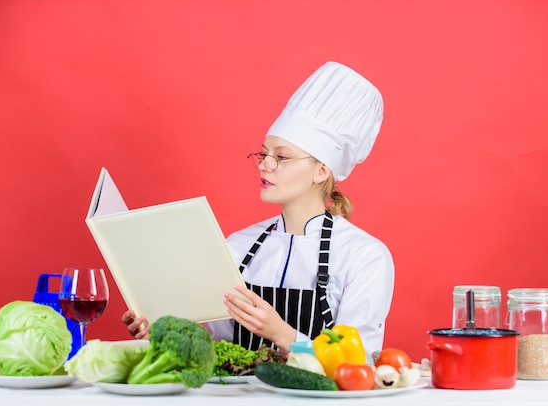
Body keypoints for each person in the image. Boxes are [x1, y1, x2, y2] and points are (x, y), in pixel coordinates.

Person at [122, 61, 394, 363]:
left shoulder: (364, 256)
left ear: (321, 170)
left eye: (281, 156)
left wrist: (282, 334)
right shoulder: (237, 246)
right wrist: (161, 336)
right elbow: (216, 348)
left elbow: (359, 362)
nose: (265, 164)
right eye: (264, 153)